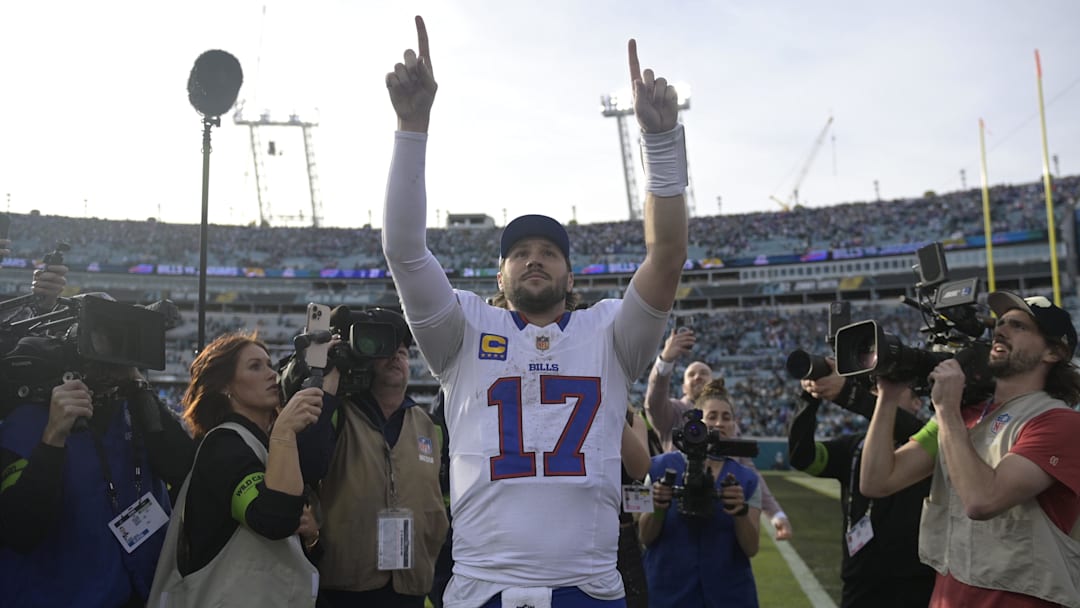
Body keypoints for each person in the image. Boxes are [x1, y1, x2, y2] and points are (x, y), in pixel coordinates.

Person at [382, 16, 688, 608]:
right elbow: (404, 251)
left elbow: (668, 255)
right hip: (483, 586)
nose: (534, 260)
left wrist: (661, 144)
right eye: (519, 253)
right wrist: (410, 125)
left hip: (590, 584)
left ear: (571, 274)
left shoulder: (611, 333)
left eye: (548, 252)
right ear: (500, 274)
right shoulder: (463, 331)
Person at [860, 291, 1080, 607]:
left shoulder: (1059, 422)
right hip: (948, 596)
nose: (1001, 330)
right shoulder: (964, 417)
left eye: (1019, 326)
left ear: (1053, 352)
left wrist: (947, 410)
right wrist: (888, 397)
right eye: (1001, 323)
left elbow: (982, 502)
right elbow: (877, 481)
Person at [0, 299, 194, 607]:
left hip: (142, 591)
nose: (113, 354)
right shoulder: (23, 423)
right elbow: (20, 530)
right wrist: (52, 438)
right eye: (103, 337)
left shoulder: (135, 409)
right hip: (58, 596)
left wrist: (138, 386)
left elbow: (185, 471)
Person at [148, 332, 324, 607]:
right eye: (255, 366)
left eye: (269, 365)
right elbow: (272, 519)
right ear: (224, 386)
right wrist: (285, 430)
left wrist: (310, 535)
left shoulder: (262, 444)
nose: (271, 374)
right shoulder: (223, 445)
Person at [294, 307, 449, 608]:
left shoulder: (429, 426)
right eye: (386, 350)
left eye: (403, 351)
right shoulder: (337, 414)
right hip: (343, 588)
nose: (396, 357)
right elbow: (308, 464)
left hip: (411, 587)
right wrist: (326, 385)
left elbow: (443, 499)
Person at [789, 363, 934, 607]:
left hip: (916, 581)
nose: (881, 395)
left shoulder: (929, 445)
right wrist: (809, 396)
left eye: (894, 389)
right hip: (861, 580)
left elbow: (908, 426)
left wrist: (851, 394)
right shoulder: (853, 447)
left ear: (917, 403)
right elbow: (802, 457)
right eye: (877, 390)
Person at [645, 327, 794, 540]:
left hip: (721, 511)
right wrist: (665, 361)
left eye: (703, 373)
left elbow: (749, 469)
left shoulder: (727, 422)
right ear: (683, 385)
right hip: (677, 507)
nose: (697, 377)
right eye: (691, 374)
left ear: (712, 381)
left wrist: (776, 513)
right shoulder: (674, 411)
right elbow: (653, 402)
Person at [639, 379, 761, 608]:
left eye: (727, 417)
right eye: (712, 416)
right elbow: (645, 537)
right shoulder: (657, 469)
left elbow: (751, 548)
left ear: (735, 424)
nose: (719, 423)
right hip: (667, 592)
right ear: (697, 424)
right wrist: (657, 508)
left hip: (728, 595)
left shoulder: (747, 479)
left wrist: (740, 512)